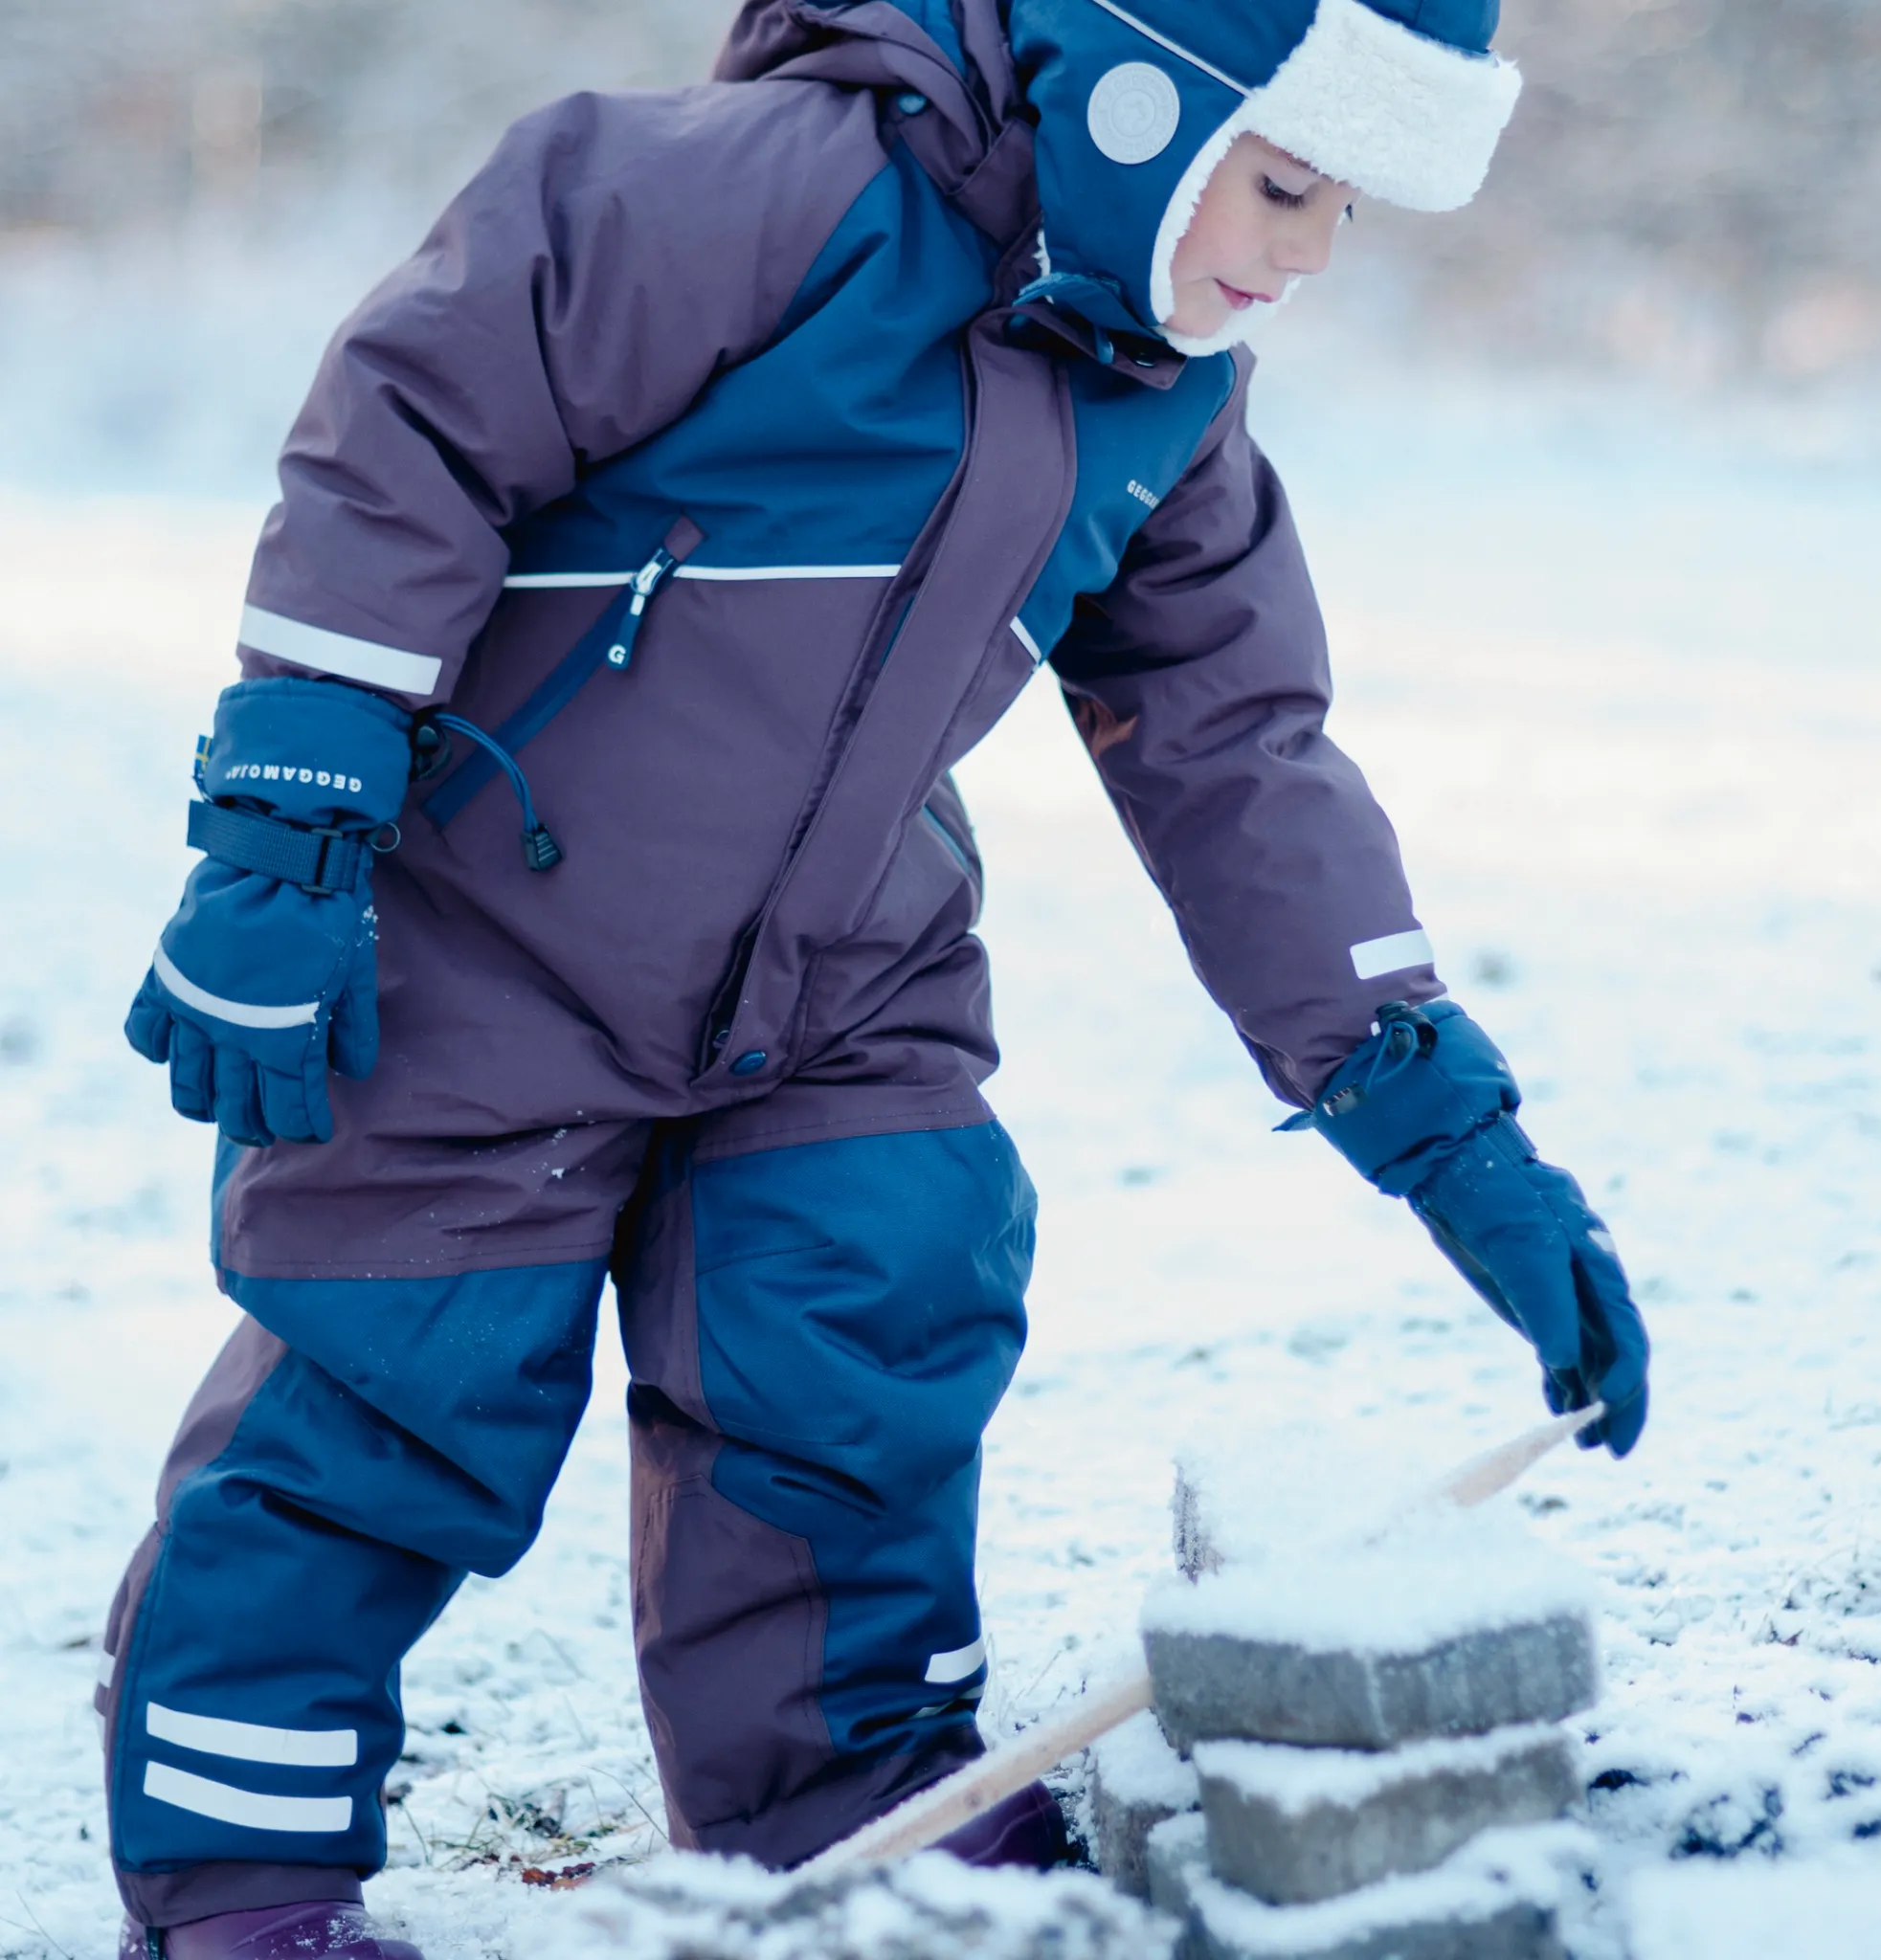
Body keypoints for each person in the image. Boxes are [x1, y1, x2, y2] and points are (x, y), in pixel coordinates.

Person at [104, 2, 1649, 1954]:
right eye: (1283, 180)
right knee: (390, 1403)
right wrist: (288, 815)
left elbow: (1238, 747)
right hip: (486, 933)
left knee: (865, 1317)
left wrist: (1440, 1115)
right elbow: (410, 423)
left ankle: (838, 1809)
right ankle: (242, 1888)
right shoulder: (749, 190)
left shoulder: (1165, 391)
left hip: (834, 974)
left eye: (1342, 204)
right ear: (1136, 88)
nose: (1308, 253)